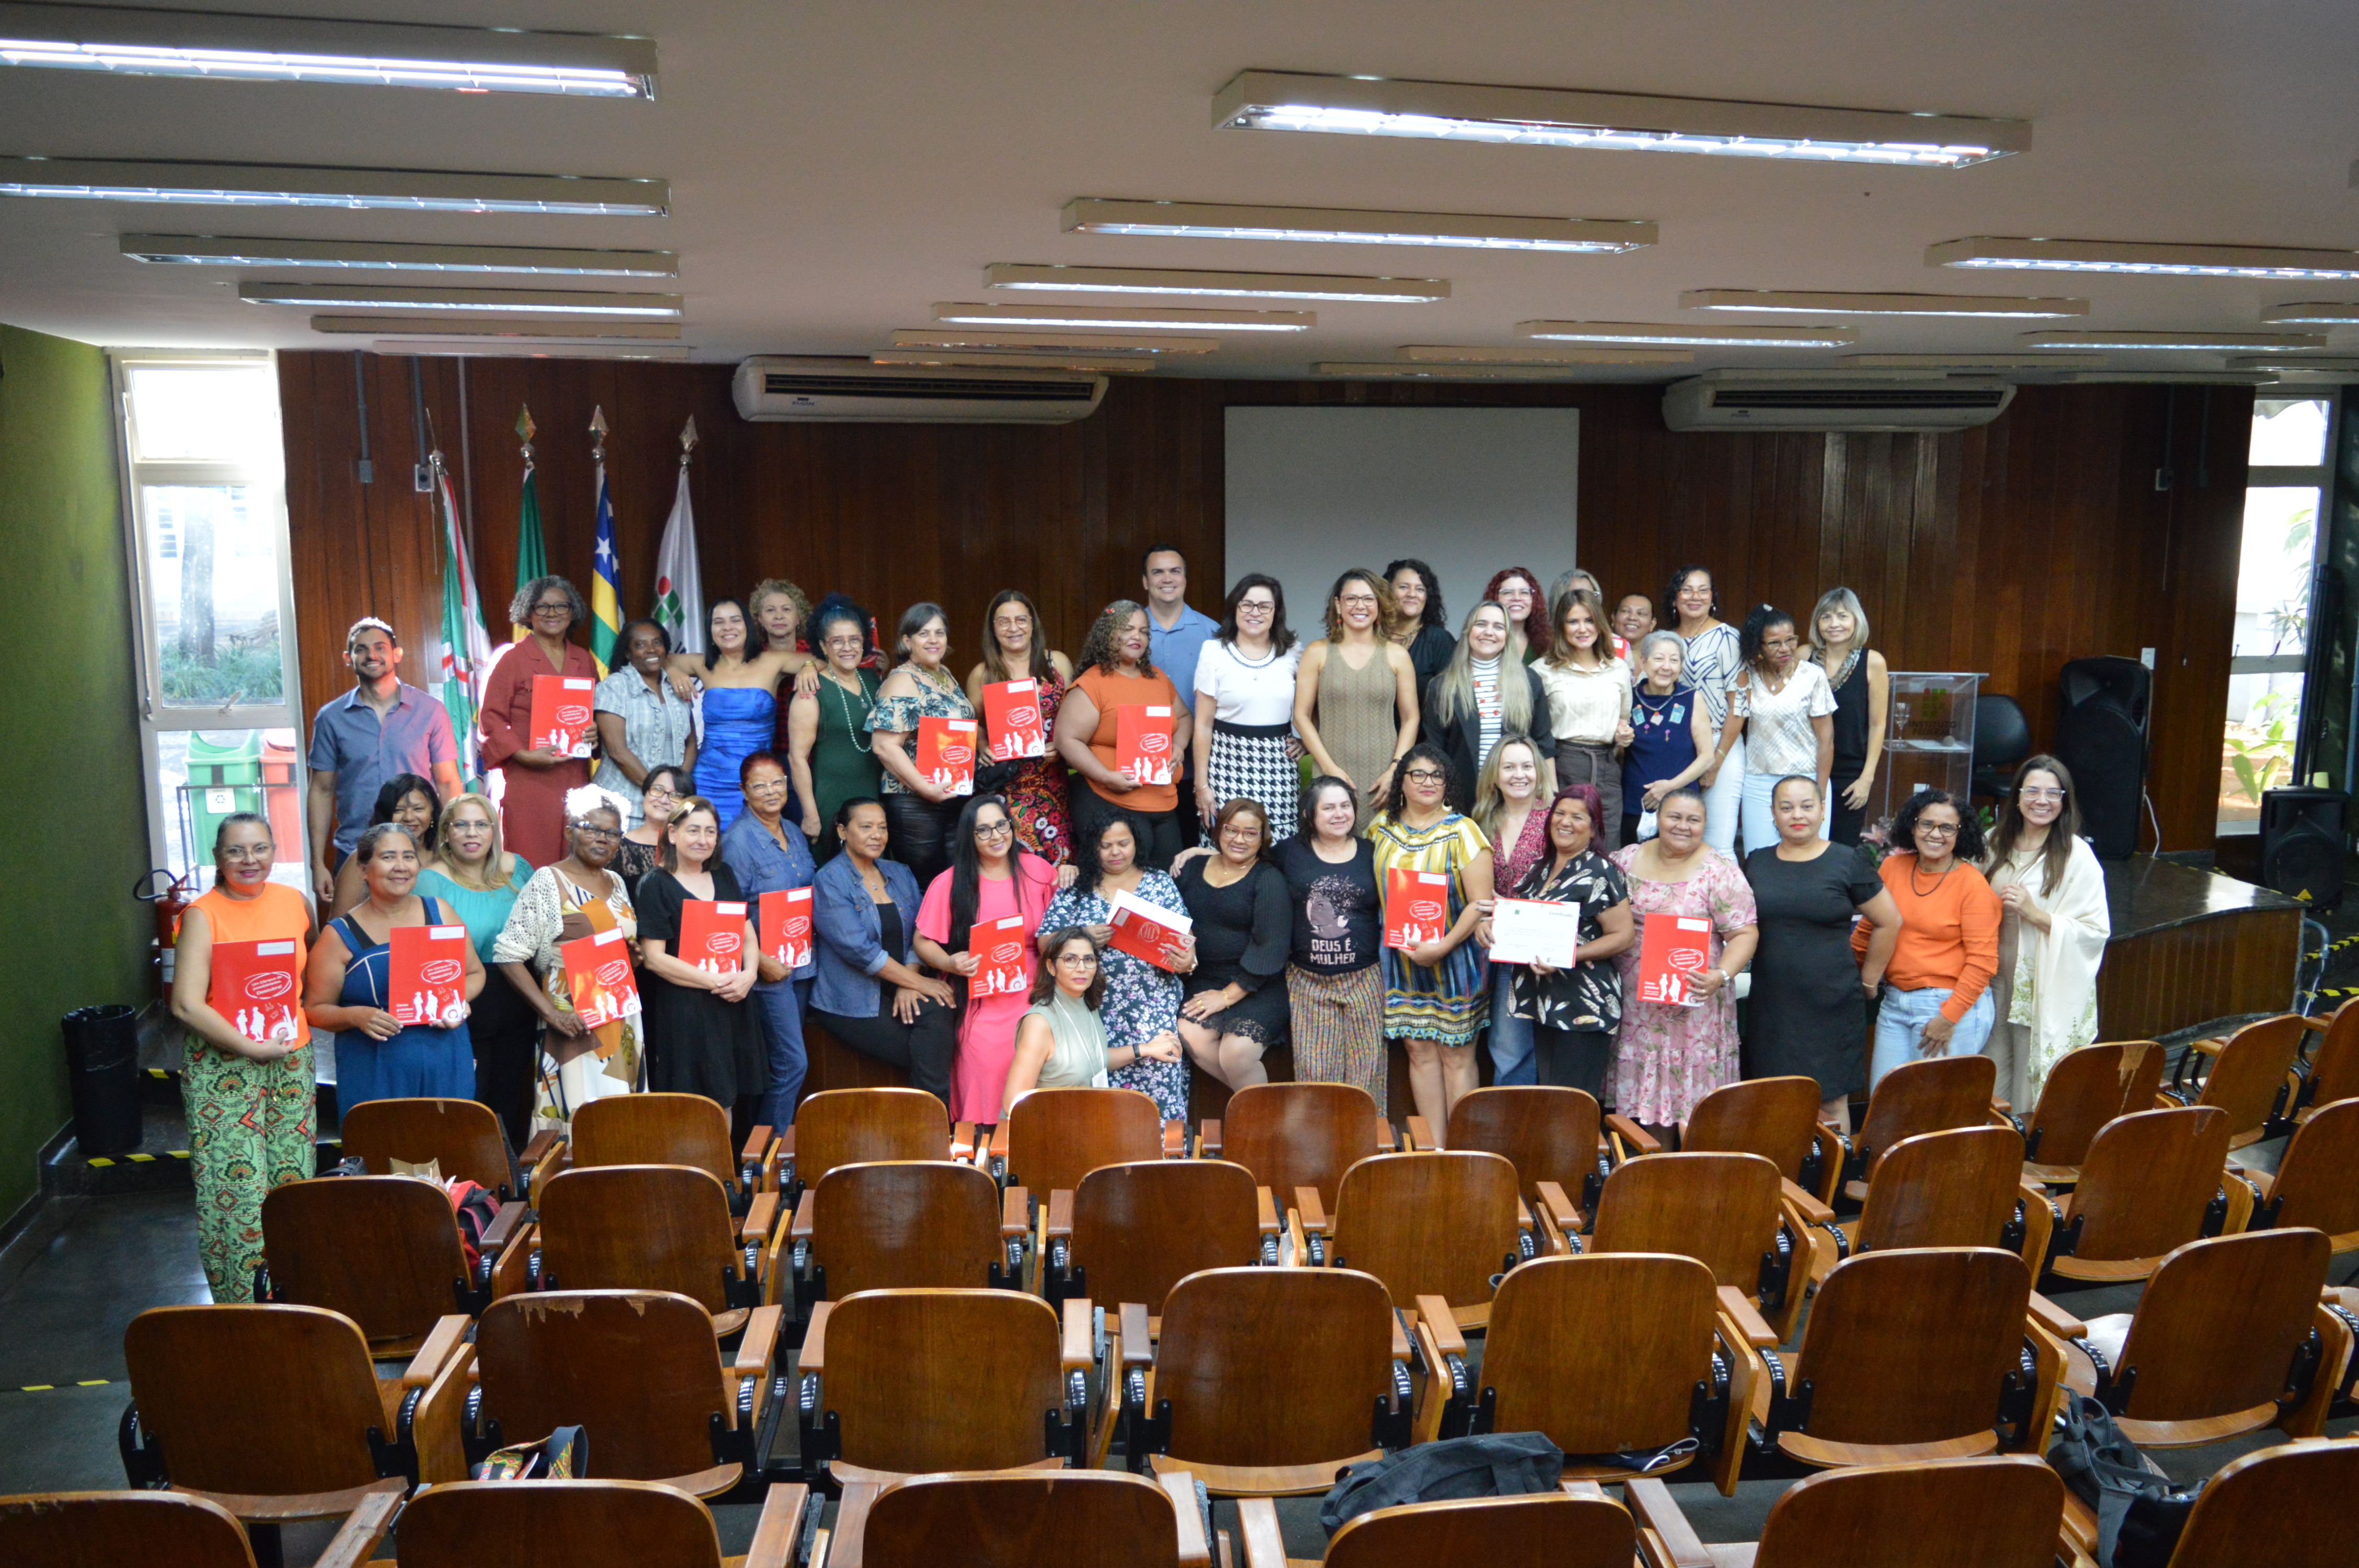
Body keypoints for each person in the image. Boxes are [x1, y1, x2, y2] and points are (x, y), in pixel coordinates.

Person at [170, 813, 315, 1301]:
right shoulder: (201, 914)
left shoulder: (295, 902)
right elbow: (186, 1003)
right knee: (237, 1194)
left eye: (259, 848)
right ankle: (244, 1310)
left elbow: (301, 975)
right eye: (236, 851)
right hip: (224, 1068)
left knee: (294, 1181)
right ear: (218, 857)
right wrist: (249, 1047)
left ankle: (297, 1294)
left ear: (275, 850)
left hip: (291, 1061)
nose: (249, 860)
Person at [1743, 776, 1901, 1131]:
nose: (1797, 815)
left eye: (1806, 806)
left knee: (1831, 1098)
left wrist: (1869, 979)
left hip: (1832, 1002)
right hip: (1773, 1003)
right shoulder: (1756, 862)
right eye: (1786, 807)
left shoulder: (1847, 861)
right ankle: (1782, 1181)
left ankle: (1833, 1181)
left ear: (1822, 810)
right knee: (1774, 1094)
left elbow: (1889, 922)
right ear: (1773, 814)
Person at [491, 787, 642, 1132]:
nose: (602, 839)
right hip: (572, 1019)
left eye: (612, 833)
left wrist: (632, 958)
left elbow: (612, 953)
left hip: (620, 1017)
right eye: (591, 828)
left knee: (621, 1116)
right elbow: (509, 954)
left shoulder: (617, 882)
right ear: (570, 831)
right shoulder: (548, 881)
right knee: (581, 1114)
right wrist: (551, 1013)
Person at [305, 821, 483, 1112]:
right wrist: (356, 1016)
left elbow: (474, 973)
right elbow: (314, 1009)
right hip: (375, 1069)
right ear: (363, 870)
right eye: (388, 857)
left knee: (451, 1147)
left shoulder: (440, 912)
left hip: (447, 1058)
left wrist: (459, 1000)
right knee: (383, 1151)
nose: (401, 866)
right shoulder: (339, 934)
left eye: (408, 857)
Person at [1610, 786, 1759, 1133]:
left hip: (1695, 1007)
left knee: (1692, 1111)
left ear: (1705, 824)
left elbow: (1745, 934)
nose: (1683, 826)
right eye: (1674, 816)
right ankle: (1651, 1179)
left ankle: (1693, 1180)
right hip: (1636, 1008)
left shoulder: (1720, 872)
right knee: (1645, 1114)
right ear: (1658, 818)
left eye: (1694, 820)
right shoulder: (1625, 860)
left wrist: (1721, 975)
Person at [1369, 741, 1495, 1140]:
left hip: (1455, 959)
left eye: (1437, 775)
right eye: (1418, 774)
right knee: (1419, 1051)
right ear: (1401, 782)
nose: (1428, 782)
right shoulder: (1379, 829)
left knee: (1456, 1055)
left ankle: (1462, 1150)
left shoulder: (1464, 830)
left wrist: (1441, 947)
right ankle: (1435, 1150)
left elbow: (1482, 903)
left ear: (1447, 784)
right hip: (1401, 959)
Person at [913, 794, 1061, 1123]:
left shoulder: (1038, 870)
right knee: (983, 1061)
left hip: (1035, 992)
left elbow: (1061, 928)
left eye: (1001, 825)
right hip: (978, 993)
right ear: (969, 836)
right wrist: (950, 964)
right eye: (983, 830)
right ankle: (981, 1144)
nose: (996, 836)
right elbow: (923, 941)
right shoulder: (950, 882)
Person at [635, 794, 776, 1137]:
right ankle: (696, 1181)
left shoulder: (724, 874)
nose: (703, 840)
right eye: (694, 830)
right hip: (686, 1007)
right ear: (672, 834)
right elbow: (654, 958)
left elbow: (746, 934)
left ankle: (722, 1178)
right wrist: (717, 981)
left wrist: (750, 974)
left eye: (710, 832)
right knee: (694, 1101)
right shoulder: (655, 884)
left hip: (731, 1001)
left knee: (725, 1096)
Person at [1040, 814, 1196, 1119]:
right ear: (1092, 849)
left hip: (1152, 1004)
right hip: (1093, 1006)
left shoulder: (1158, 882)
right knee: (1101, 1094)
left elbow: (1186, 940)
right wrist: (1082, 935)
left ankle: (1163, 1160)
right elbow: (1044, 944)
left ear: (1136, 844)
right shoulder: (1077, 885)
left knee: (1158, 1078)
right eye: (1106, 846)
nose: (1116, 852)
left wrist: (1188, 960)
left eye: (1123, 844)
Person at [1488, 785, 1635, 1098]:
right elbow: (1523, 922)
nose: (1566, 822)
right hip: (1545, 1002)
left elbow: (1624, 936)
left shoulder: (1600, 870)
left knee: (1572, 1104)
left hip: (1584, 1004)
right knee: (1552, 1100)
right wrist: (1490, 928)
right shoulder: (1539, 867)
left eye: (1578, 817)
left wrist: (1568, 954)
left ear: (1594, 826)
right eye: (1560, 813)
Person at [810, 798, 958, 1104]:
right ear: (842, 831)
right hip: (852, 1001)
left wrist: (909, 980)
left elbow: (922, 931)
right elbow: (860, 952)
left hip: (899, 986)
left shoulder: (899, 872)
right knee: (930, 1053)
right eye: (866, 827)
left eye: (883, 828)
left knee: (940, 1012)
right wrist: (916, 982)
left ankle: (930, 1124)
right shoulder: (830, 880)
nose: (877, 835)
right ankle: (934, 1124)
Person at [1981, 755, 2110, 1108]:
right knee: (1989, 1071)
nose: (2042, 801)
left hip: (2039, 983)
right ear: (2018, 796)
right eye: (2033, 791)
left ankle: (2027, 1155)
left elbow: (2095, 930)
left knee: (2029, 1076)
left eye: (2054, 794)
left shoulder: (2076, 855)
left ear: (2064, 801)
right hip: (1991, 980)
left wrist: (2035, 914)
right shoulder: (1993, 842)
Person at [306, 617, 462, 905]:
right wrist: (318, 863)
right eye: (361, 649)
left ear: (397, 654)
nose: (372, 655)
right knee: (356, 942)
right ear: (348, 658)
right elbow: (321, 790)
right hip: (356, 852)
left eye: (380, 647)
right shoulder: (331, 718)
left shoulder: (431, 711)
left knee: (423, 940)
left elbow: (448, 782)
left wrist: (452, 848)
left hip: (420, 854)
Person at [418, 792, 538, 1150]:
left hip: (520, 993)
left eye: (481, 824)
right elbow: (424, 953)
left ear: (494, 831)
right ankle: (475, 1188)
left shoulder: (519, 870)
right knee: (474, 1095)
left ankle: (513, 1186)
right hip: (463, 999)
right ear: (446, 834)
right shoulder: (428, 880)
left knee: (515, 1095)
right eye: (462, 824)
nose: (472, 833)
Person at [1858, 788, 2001, 1087]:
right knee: (1884, 1104)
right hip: (1895, 1002)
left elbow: (1983, 963)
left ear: (1960, 835)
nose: (1936, 834)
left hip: (1949, 1007)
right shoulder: (1893, 867)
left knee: (1932, 1114)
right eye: (1927, 824)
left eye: (1947, 827)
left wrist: (1949, 1018)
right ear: (1912, 826)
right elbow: (1866, 932)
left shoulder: (1973, 886)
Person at [1273, 776, 1388, 1109]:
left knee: (1368, 1075)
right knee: (1315, 1074)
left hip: (1365, 978)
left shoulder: (1373, 851)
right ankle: (1319, 1154)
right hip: (1308, 981)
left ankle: (1367, 1152)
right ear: (1310, 814)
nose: (1339, 814)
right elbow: (1244, 863)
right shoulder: (1288, 853)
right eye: (1328, 807)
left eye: (1345, 806)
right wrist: (1198, 852)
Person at [1056, 600, 1192, 870]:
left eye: (1143, 631)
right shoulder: (1093, 683)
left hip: (1163, 801)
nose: (1137, 637)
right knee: (1126, 887)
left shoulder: (1158, 678)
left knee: (1168, 883)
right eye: (1128, 629)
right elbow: (1066, 740)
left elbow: (1185, 717)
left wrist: (1178, 746)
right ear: (1108, 634)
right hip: (1110, 801)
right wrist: (1106, 776)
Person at [722, 752, 818, 1127]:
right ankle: (768, 1154)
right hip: (768, 971)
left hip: (802, 962)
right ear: (744, 792)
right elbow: (729, 915)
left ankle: (764, 1146)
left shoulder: (793, 831)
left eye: (777, 782)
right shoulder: (737, 842)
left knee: (782, 1063)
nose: (771, 791)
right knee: (792, 1063)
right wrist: (761, 962)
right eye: (760, 786)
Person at [1173, 798, 1291, 1093]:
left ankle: (1260, 1127)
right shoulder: (1192, 867)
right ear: (1218, 831)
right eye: (1231, 830)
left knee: (1236, 1053)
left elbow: (1270, 949)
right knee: (1191, 1034)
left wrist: (1226, 997)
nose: (1239, 839)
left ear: (1262, 838)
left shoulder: (1268, 879)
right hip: (1206, 978)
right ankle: (1266, 1113)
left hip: (1257, 984)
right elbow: (1174, 920)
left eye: (1250, 833)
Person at [480, 577, 598, 868]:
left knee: (576, 865)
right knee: (531, 866)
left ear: (573, 613)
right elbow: (491, 718)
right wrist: (523, 755)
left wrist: (597, 733)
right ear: (528, 614)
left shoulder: (584, 660)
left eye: (561, 606)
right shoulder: (511, 659)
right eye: (542, 607)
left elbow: (595, 714)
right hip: (529, 781)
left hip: (575, 777)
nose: (552, 613)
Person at [1004, 928, 1184, 1113]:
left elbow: (1095, 1060)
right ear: (1051, 967)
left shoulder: (1086, 1006)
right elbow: (1014, 1103)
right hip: (1050, 1132)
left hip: (1088, 1125)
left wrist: (1146, 1049)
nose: (1081, 968)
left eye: (1089, 960)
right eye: (1070, 959)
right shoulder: (1039, 1023)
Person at [1295, 568, 1421, 828]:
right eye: (1351, 599)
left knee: (1382, 851)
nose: (1359, 606)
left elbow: (1411, 718)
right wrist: (1329, 768)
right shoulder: (1317, 652)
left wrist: (1395, 770)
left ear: (1380, 605)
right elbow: (1301, 716)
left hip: (1383, 775)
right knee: (1332, 843)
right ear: (1338, 605)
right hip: (1330, 770)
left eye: (1368, 599)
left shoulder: (1397, 656)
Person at [671, 597, 804, 832]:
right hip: (708, 779)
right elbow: (658, 658)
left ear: (748, 626)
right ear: (710, 630)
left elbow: (824, 660)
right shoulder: (703, 663)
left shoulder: (772, 661)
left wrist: (810, 668)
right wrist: (673, 671)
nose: (727, 628)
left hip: (758, 782)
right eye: (718, 622)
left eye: (735, 620)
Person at [868, 601, 976, 890]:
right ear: (907, 641)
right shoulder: (903, 680)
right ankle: (919, 938)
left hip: (951, 797)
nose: (933, 640)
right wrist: (927, 789)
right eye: (924, 634)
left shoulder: (946, 676)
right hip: (914, 801)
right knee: (924, 887)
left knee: (952, 884)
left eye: (939, 633)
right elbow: (885, 746)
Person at [964, 589, 1074, 864]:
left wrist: (1062, 745)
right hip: (1008, 783)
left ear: (1033, 623)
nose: (1014, 628)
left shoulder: (1057, 663)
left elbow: (1074, 716)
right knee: (1018, 863)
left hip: (1053, 778)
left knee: (1060, 864)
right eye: (1004, 622)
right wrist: (982, 745)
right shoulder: (983, 673)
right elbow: (971, 723)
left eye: (1021, 620)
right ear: (993, 628)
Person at [1470, 734, 1554, 1087]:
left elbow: (1576, 884)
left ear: (1539, 772)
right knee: (1502, 1045)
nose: (1519, 775)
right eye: (1509, 767)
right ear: (1494, 774)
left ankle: (1524, 1134)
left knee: (1525, 1047)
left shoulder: (1556, 819)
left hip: (1542, 947)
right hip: (1490, 947)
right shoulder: (1479, 820)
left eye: (1526, 766)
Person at [1193, 574, 1303, 842]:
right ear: (1235, 608)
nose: (1256, 612)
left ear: (1276, 612)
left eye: (1265, 606)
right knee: (1228, 846)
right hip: (1226, 766)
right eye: (1247, 604)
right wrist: (1202, 785)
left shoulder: (1295, 652)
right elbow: (1203, 724)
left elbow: (1317, 707)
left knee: (1278, 850)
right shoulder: (1213, 651)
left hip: (1279, 768)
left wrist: (1308, 742)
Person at [1422, 600, 1552, 806]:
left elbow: (1544, 745)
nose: (1489, 632)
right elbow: (1435, 752)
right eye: (1481, 624)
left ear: (1507, 636)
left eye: (1498, 627)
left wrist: (1550, 798)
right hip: (1461, 800)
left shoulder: (1529, 681)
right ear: (1468, 631)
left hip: (1516, 799)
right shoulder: (1442, 687)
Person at [788, 596, 886, 864]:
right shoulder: (811, 690)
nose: (848, 647)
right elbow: (797, 758)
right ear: (823, 646)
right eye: (837, 641)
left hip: (874, 798)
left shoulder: (872, 680)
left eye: (855, 640)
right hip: (830, 802)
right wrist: (810, 815)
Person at [1731, 605, 1836, 856]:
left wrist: (1819, 793)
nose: (1785, 648)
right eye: (1775, 643)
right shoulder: (1748, 676)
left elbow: (1827, 739)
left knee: (1810, 858)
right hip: (1758, 781)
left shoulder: (1813, 676)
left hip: (1806, 779)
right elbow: (1734, 721)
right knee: (1759, 858)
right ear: (1760, 646)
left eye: (1791, 640)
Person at [1537, 588, 1634, 852]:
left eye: (1589, 620)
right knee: (1562, 844)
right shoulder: (1542, 670)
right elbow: (1534, 730)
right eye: (1573, 621)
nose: (1583, 628)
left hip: (1606, 766)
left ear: (1600, 625)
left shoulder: (1618, 668)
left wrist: (1622, 733)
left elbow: (1622, 717)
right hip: (1562, 763)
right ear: (1561, 626)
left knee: (1607, 845)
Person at [1142, 544, 1222, 848]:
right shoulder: (1130, 633)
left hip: (1197, 768)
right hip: (1140, 764)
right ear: (1145, 581)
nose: (1167, 578)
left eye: (1175, 571)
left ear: (1186, 579)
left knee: (1192, 848)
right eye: (1158, 572)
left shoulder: (1212, 633)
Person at [1669, 567, 1746, 859]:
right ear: (1675, 597)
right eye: (1687, 589)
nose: (1695, 597)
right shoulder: (1668, 638)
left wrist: (1716, 761)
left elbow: (1739, 704)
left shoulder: (1728, 638)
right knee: (1679, 841)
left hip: (1718, 745)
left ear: (1712, 597)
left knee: (1718, 842)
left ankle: (1728, 905)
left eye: (1703, 590)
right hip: (1679, 745)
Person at [593, 618, 698, 827]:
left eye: (657, 642)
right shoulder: (615, 687)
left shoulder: (675, 686)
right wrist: (660, 793)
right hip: (622, 808)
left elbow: (691, 743)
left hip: (671, 808)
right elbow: (617, 752)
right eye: (640, 645)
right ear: (627, 653)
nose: (651, 650)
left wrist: (678, 787)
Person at [1810, 587, 1892, 847]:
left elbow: (1878, 725)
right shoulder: (1803, 657)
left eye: (1842, 616)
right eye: (1826, 617)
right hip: (1806, 767)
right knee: (1804, 843)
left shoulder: (1873, 662)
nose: (1834, 624)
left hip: (1850, 774)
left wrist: (1866, 779)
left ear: (1856, 620)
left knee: (1842, 848)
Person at [1621, 631, 1716, 848]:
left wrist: (1670, 787)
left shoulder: (1692, 698)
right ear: (1643, 662)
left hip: (1681, 805)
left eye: (1674, 660)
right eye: (1659, 658)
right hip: (1636, 802)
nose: (1667, 667)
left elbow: (1707, 757)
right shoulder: (1630, 696)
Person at [326, 772, 440, 918]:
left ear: (433, 812)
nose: (409, 817)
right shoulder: (362, 858)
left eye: (418, 809)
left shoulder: (444, 854)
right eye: (399, 810)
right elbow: (339, 924)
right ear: (386, 814)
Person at [612, 762, 687, 894]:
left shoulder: (692, 847)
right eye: (658, 789)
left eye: (675, 795)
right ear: (645, 793)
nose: (664, 800)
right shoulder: (617, 846)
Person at [1384, 558, 1457, 692]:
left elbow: (1449, 699)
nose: (1412, 594)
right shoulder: (1373, 636)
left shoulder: (1439, 640)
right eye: (1404, 587)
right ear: (1388, 592)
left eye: (1420, 589)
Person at [1481, 567, 1550, 664]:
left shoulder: (1548, 644)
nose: (1517, 598)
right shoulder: (1480, 639)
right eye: (1508, 592)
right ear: (1495, 598)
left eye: (1524, 592)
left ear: (1533, 599)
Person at [1612, 592, 1657, 673]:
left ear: (1652, 624)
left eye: (1642, 614)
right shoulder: (1598, 653)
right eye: (1626, 611)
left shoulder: (1659, 659)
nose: (1632, 618)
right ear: (1613, 618)